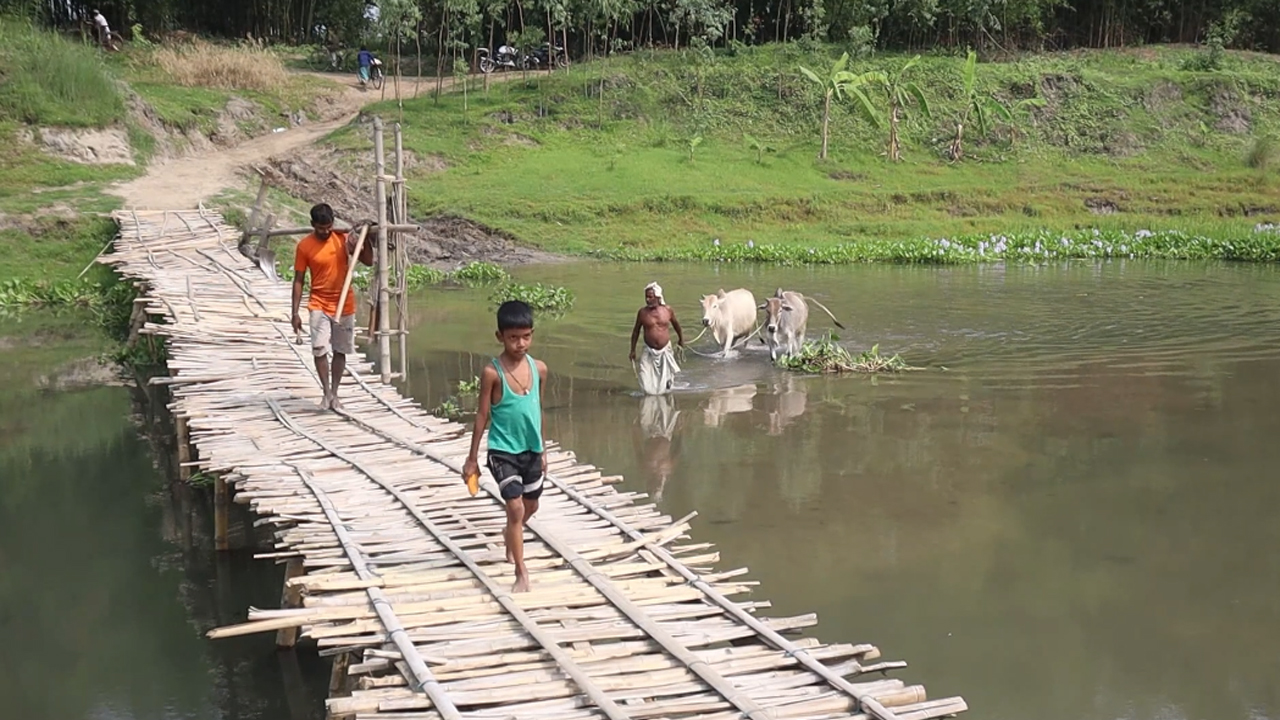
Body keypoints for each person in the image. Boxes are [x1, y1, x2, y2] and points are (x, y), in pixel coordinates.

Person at [463, 300, 548, 593]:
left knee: (529, 506)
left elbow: (539, 409)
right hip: (502, 451)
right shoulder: (492, 373)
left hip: (531, 450)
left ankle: (510, 531)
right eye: (513, 337)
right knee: (514, 507)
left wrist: (544, 450)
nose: (520, 343)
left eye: (526, 336)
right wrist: (472, 459)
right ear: (500, 337)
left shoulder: (539, 369)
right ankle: (521, 572)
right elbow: (482, 415)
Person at [290, 203, 375, 411]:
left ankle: (335, 393)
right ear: (313, 225)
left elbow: (368, 261)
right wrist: (294, 312)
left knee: (340, 349)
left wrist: (366, 239)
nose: (326, 231)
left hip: (344, 303)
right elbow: (298, 280)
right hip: (318, 303)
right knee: (319, 349)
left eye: (329, 226)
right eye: (321, 228)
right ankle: (326, 392)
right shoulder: (304, 246)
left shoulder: (343, 239)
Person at [629, 282, 684, 395]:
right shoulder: (642, 313)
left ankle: (665, 400)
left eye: (650, 296)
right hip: (648, 350)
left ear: (658, 297)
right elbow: (636, 331)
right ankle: (650, 394)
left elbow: (676, 325)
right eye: (646, 297)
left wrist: (681, 339)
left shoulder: (667, 310)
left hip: (665, 350)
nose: (647, 299)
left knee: (666, 385)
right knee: (645, 383)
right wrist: (632, 350)